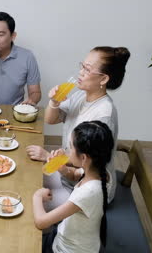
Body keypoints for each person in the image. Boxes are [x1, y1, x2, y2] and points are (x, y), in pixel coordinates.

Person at [27, 46, 130, 208]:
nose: (81, 72)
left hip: (85, 189)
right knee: (27, 176)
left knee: (31, 203)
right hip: (68, 173)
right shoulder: (81, 95)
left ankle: (52, 232)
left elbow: (86, 163)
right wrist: (54, 102)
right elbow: (50, 119)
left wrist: (48, 157)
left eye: (87, 69)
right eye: (82, 66)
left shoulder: (103, 115)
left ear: (103, 79)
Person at [33, 121, 114, 253]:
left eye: (70, 147)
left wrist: (37, 196)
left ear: (83, 158)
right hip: (67, 235)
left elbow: (41, 222)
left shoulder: (88, 192)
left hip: (65, 249)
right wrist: (63, 168)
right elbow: (75, 175)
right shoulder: (99, 171)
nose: (66, 151)